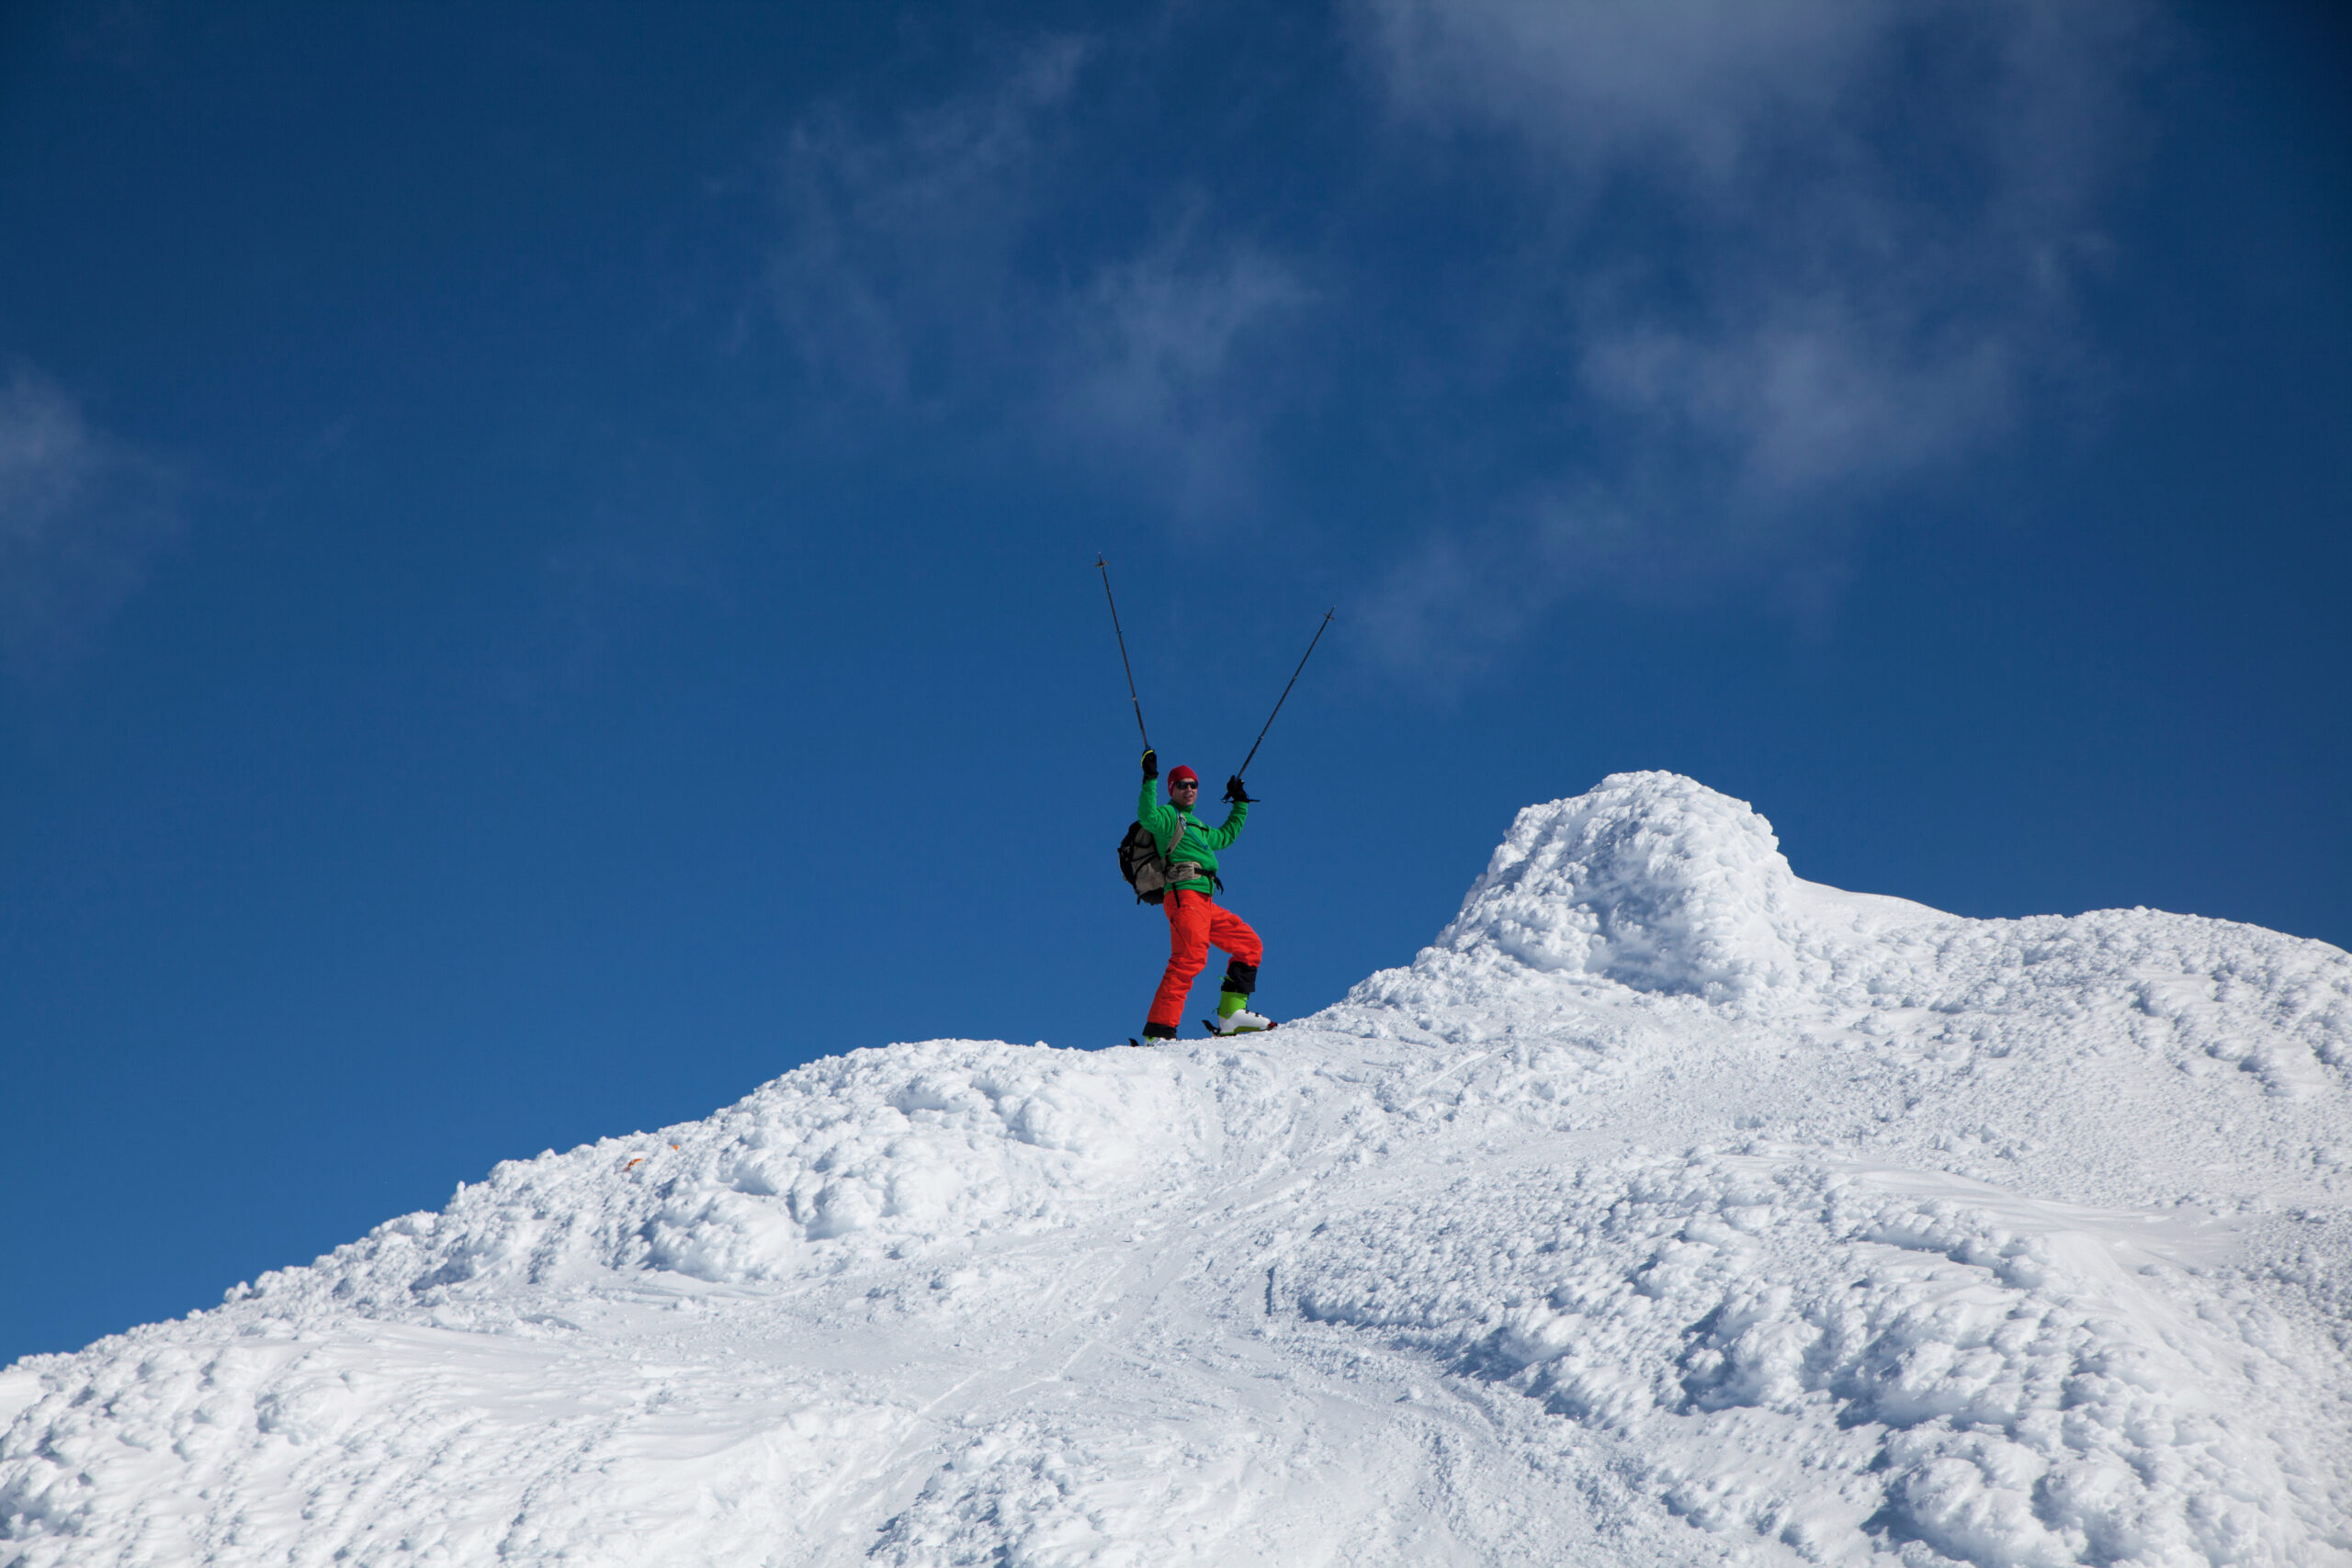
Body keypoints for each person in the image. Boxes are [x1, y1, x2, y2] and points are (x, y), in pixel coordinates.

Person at [1136, 750, 1272, 1040]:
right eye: (1182, 784)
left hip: (1205, 902)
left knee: (1249, 945)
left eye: (1193, 784)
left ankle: (1231, 1015)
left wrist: (1240, 802)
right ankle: (1159, 1032)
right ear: (1172, 789)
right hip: (1184, 897)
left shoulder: (1198, 826)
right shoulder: (1167, 817)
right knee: (1189, 957)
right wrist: (1150, 778)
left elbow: (1225, 836)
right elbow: (1146, 815)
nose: (1188, 789)